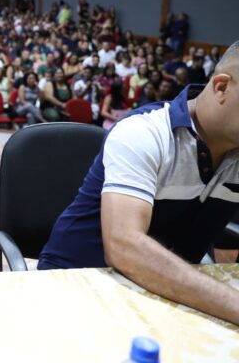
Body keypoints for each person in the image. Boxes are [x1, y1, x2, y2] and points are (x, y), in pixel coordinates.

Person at [38, 41, 239, 325]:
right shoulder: (144, 132)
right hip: (78, 284)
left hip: (163, 297)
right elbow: (124, 246)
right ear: (221, 87)